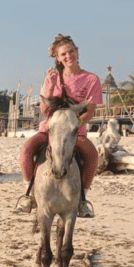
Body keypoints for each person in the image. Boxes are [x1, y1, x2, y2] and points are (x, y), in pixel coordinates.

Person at [16, 33, 102, 218]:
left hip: (74, 131)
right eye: (63, 54)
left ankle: (83, 200)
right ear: (58, 58)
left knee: (92, 155)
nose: (68, 56)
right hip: (50, 129)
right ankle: (28, 195)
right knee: (26, 149)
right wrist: (51, 85)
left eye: (71, 51)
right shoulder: (52, 78)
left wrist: (74, 124)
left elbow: (90, 111)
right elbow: (45, 110)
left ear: (77, 52)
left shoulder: (92, 79)